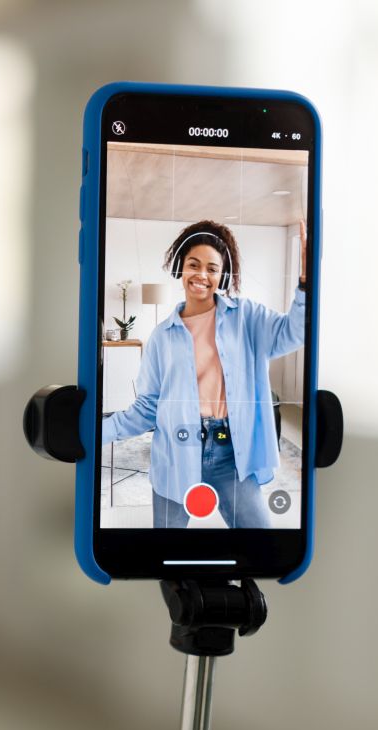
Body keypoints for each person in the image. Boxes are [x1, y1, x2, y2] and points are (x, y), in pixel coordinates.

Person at [102, 219, 306, 528]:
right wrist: (96, 431)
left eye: (212, 268)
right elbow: (147, 408)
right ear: (180, 267)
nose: (201, 275)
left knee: (260, 542)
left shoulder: (247, 317)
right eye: (193, 264)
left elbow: (294, 331)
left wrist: (304, 285)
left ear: (223, 274)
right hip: (176, 454)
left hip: (231, 454)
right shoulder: (161, 337)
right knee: (166, 550)